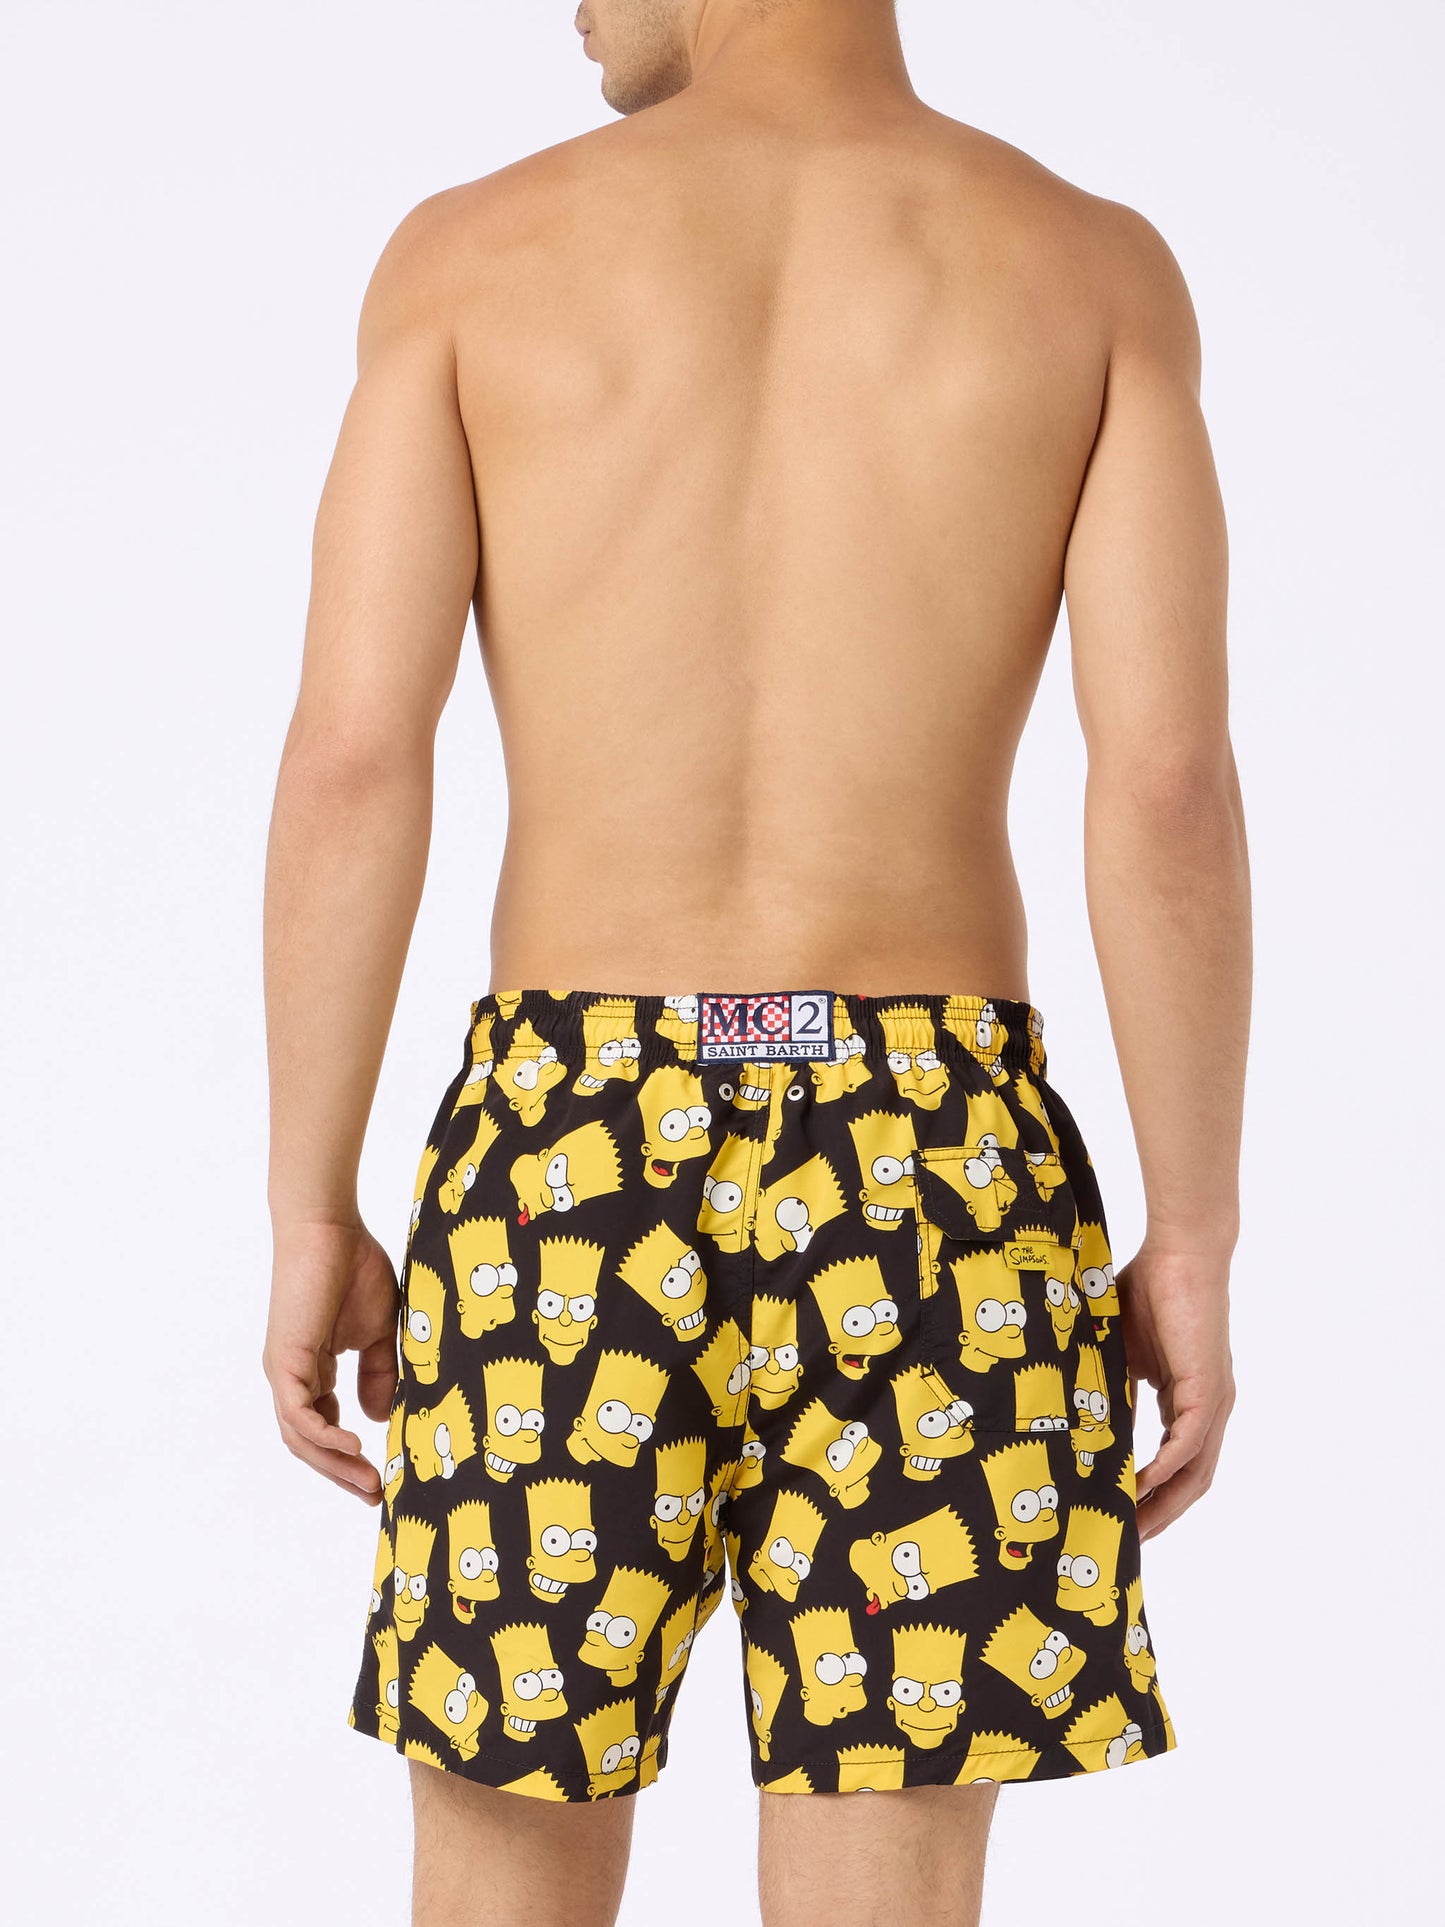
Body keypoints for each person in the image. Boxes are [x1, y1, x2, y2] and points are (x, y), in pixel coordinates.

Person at [261, 2, 1249, 1921]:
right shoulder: (1086, 268)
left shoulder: (472, 257)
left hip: (568, 1156)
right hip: (935, 1159)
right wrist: (1192, 1233)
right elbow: (1164, 787)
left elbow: (354, 757)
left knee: (503, 1860)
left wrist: (312, 1203)